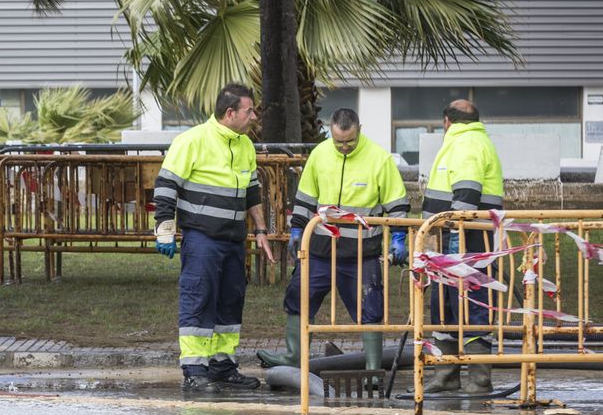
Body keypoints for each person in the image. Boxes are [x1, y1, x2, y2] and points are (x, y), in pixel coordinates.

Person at [257, 108, 410, 371]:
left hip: (362, 253)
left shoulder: (378, 159)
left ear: (359, 130)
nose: (344, 147)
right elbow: (305, 200)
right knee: (298, 296)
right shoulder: (320, 154)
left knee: (370, 307)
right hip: (320, 250)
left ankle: (373, 368)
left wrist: (399, 238)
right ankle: (294, 357)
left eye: (350, 141)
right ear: (331, 131)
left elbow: (397, 206)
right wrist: (297, 230)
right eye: (339, 141)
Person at [153, 83, 276, 391]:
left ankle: (222, 365)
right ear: (230, 112)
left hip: (234, 238)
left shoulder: (245, 145)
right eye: (249, 111)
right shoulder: (192, 140)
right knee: (199, 298)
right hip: (203, 237)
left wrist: (260, 230)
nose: (253, 117)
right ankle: (194, 370)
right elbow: (167, 186)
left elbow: (252, 192)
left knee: (230, 302)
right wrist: (165, 230)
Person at [421, 99, 504, 395]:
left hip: (466, 244)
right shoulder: (466, 141)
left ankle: (478, 380)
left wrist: (453, 240)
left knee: (471, 307)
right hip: (451, 245)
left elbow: (467, 194)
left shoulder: (466, 143)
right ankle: (447, 376)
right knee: (444, 308)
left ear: (446, 121)